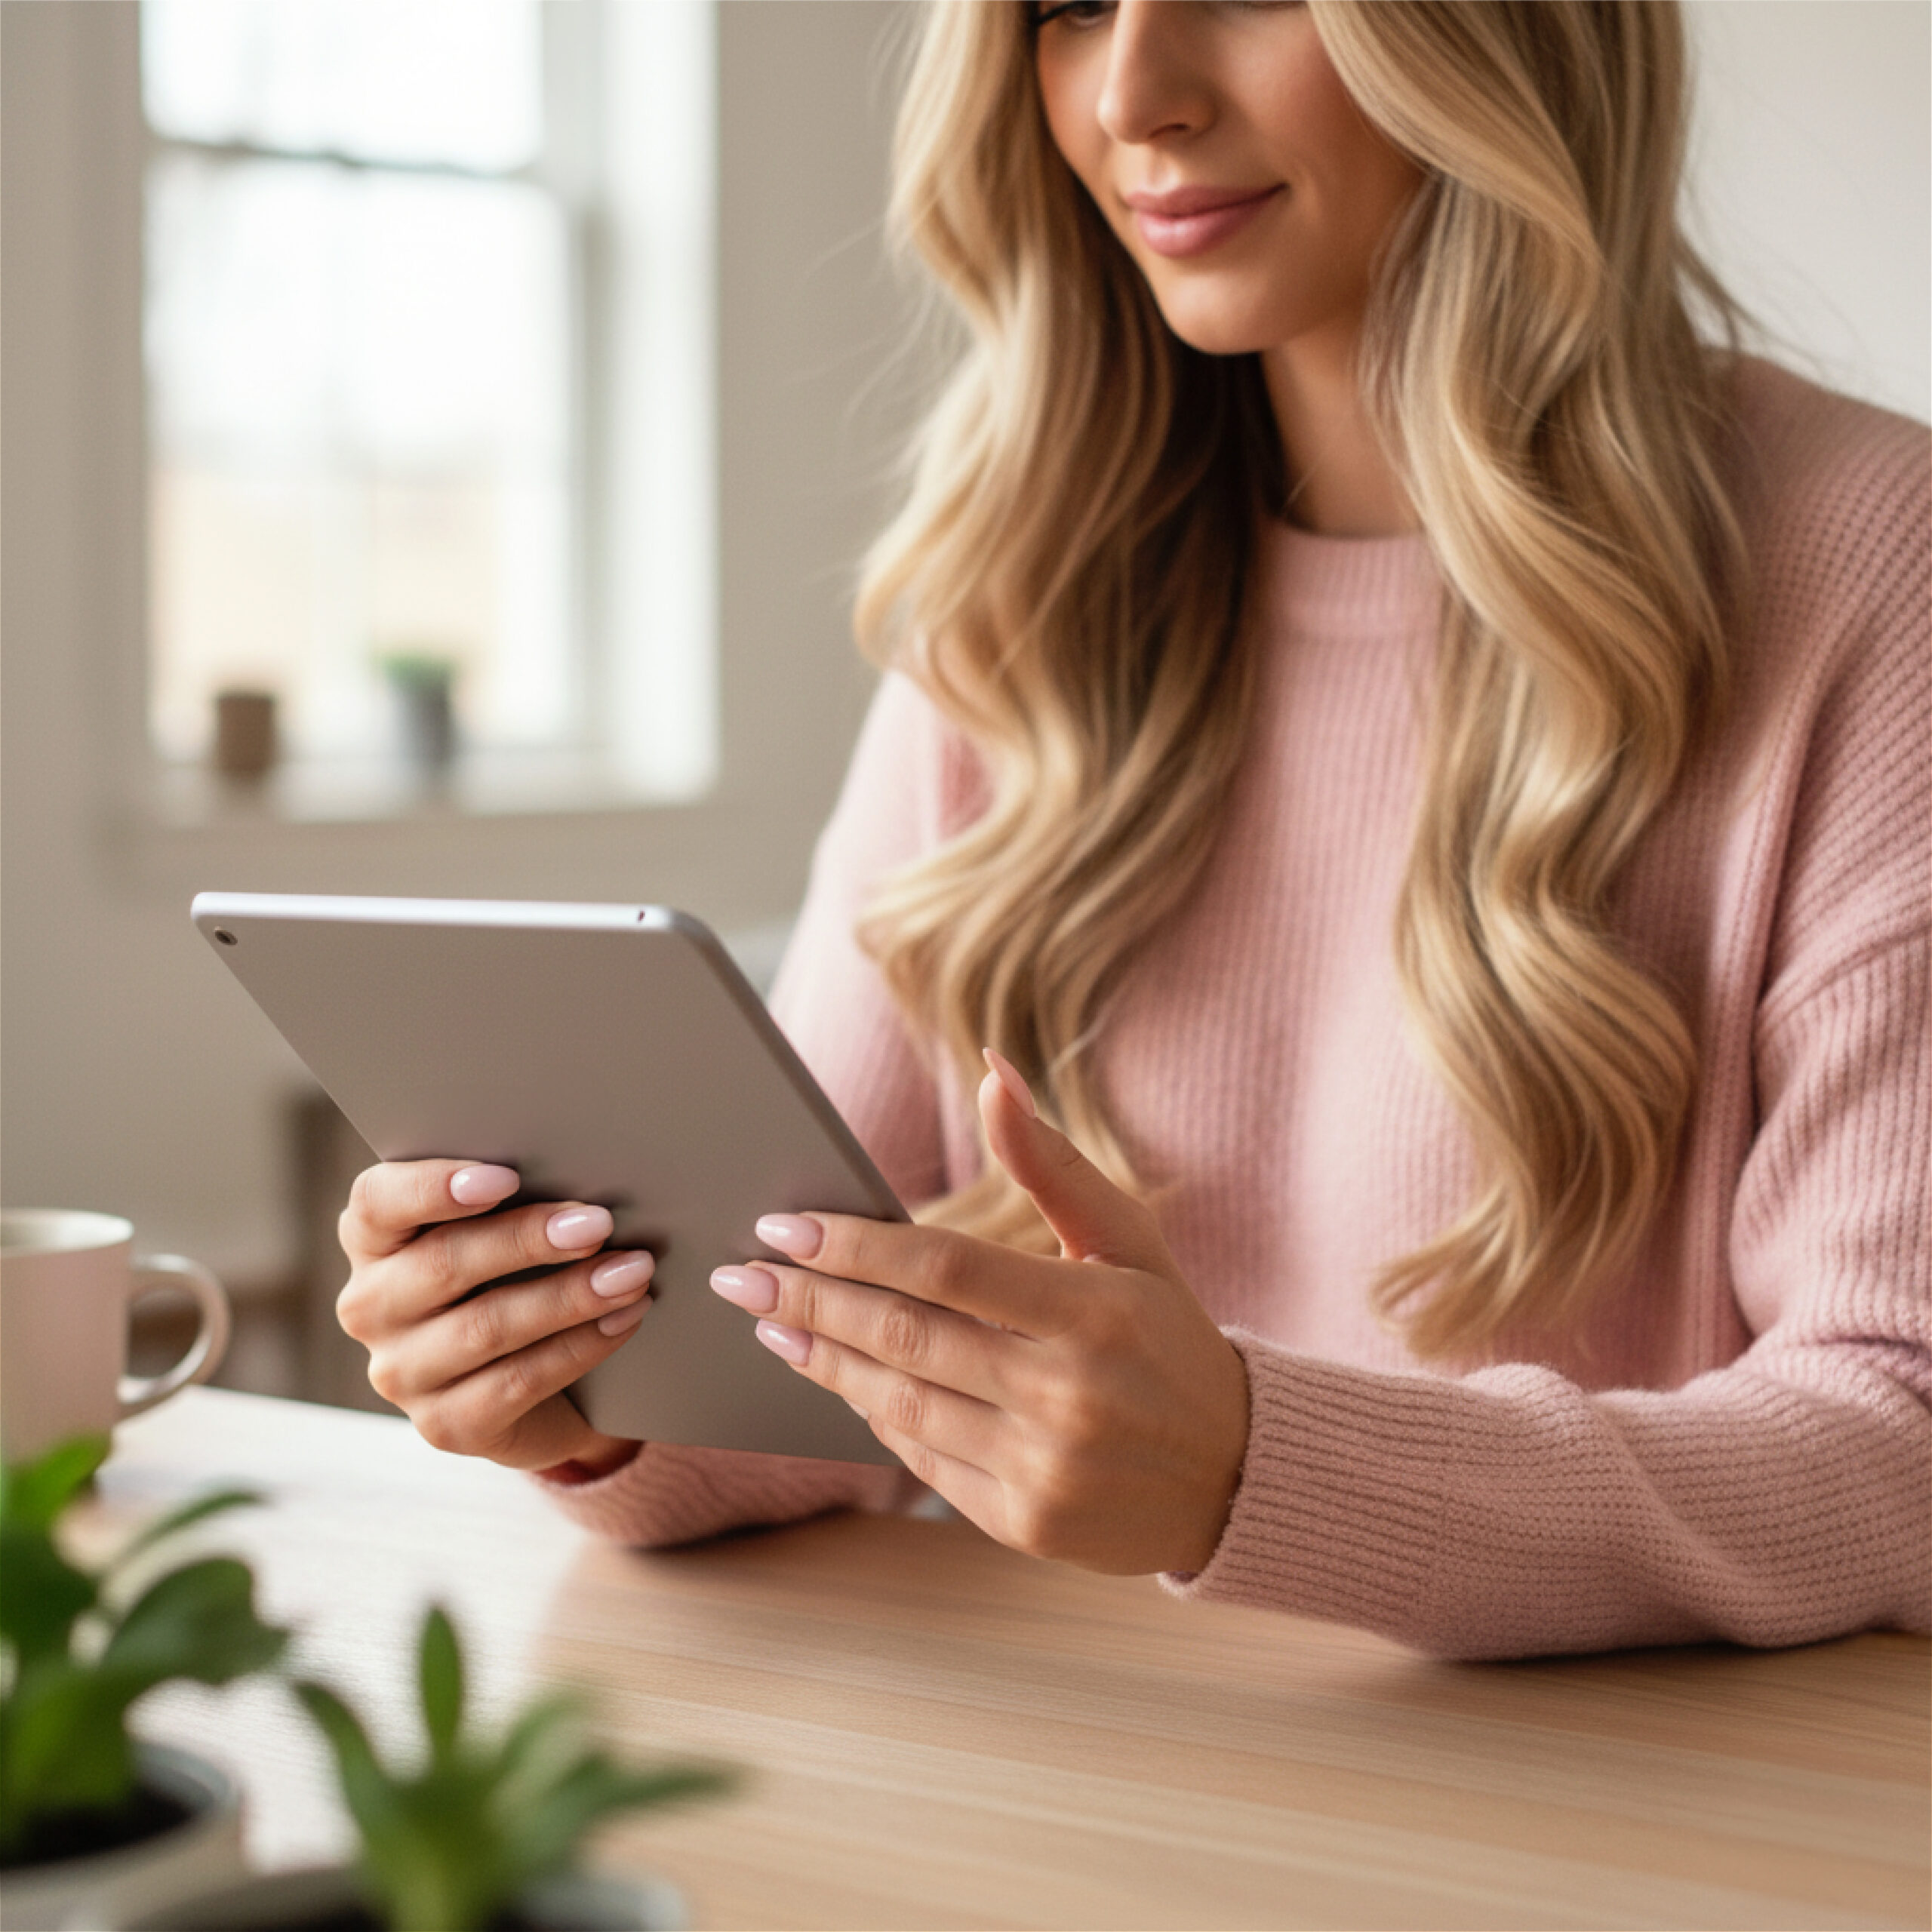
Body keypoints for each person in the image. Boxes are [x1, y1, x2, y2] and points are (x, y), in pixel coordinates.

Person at [334, 0, 1929, 1659]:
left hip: (1608, 1807)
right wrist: (578, 1380)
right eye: (1070, 7)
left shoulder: (1875, 565)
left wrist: (1259, 1467)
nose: (1130, 96)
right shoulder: (1015, 606)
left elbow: (1900, 1431)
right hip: (1075, 1774)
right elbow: (801, 1344)